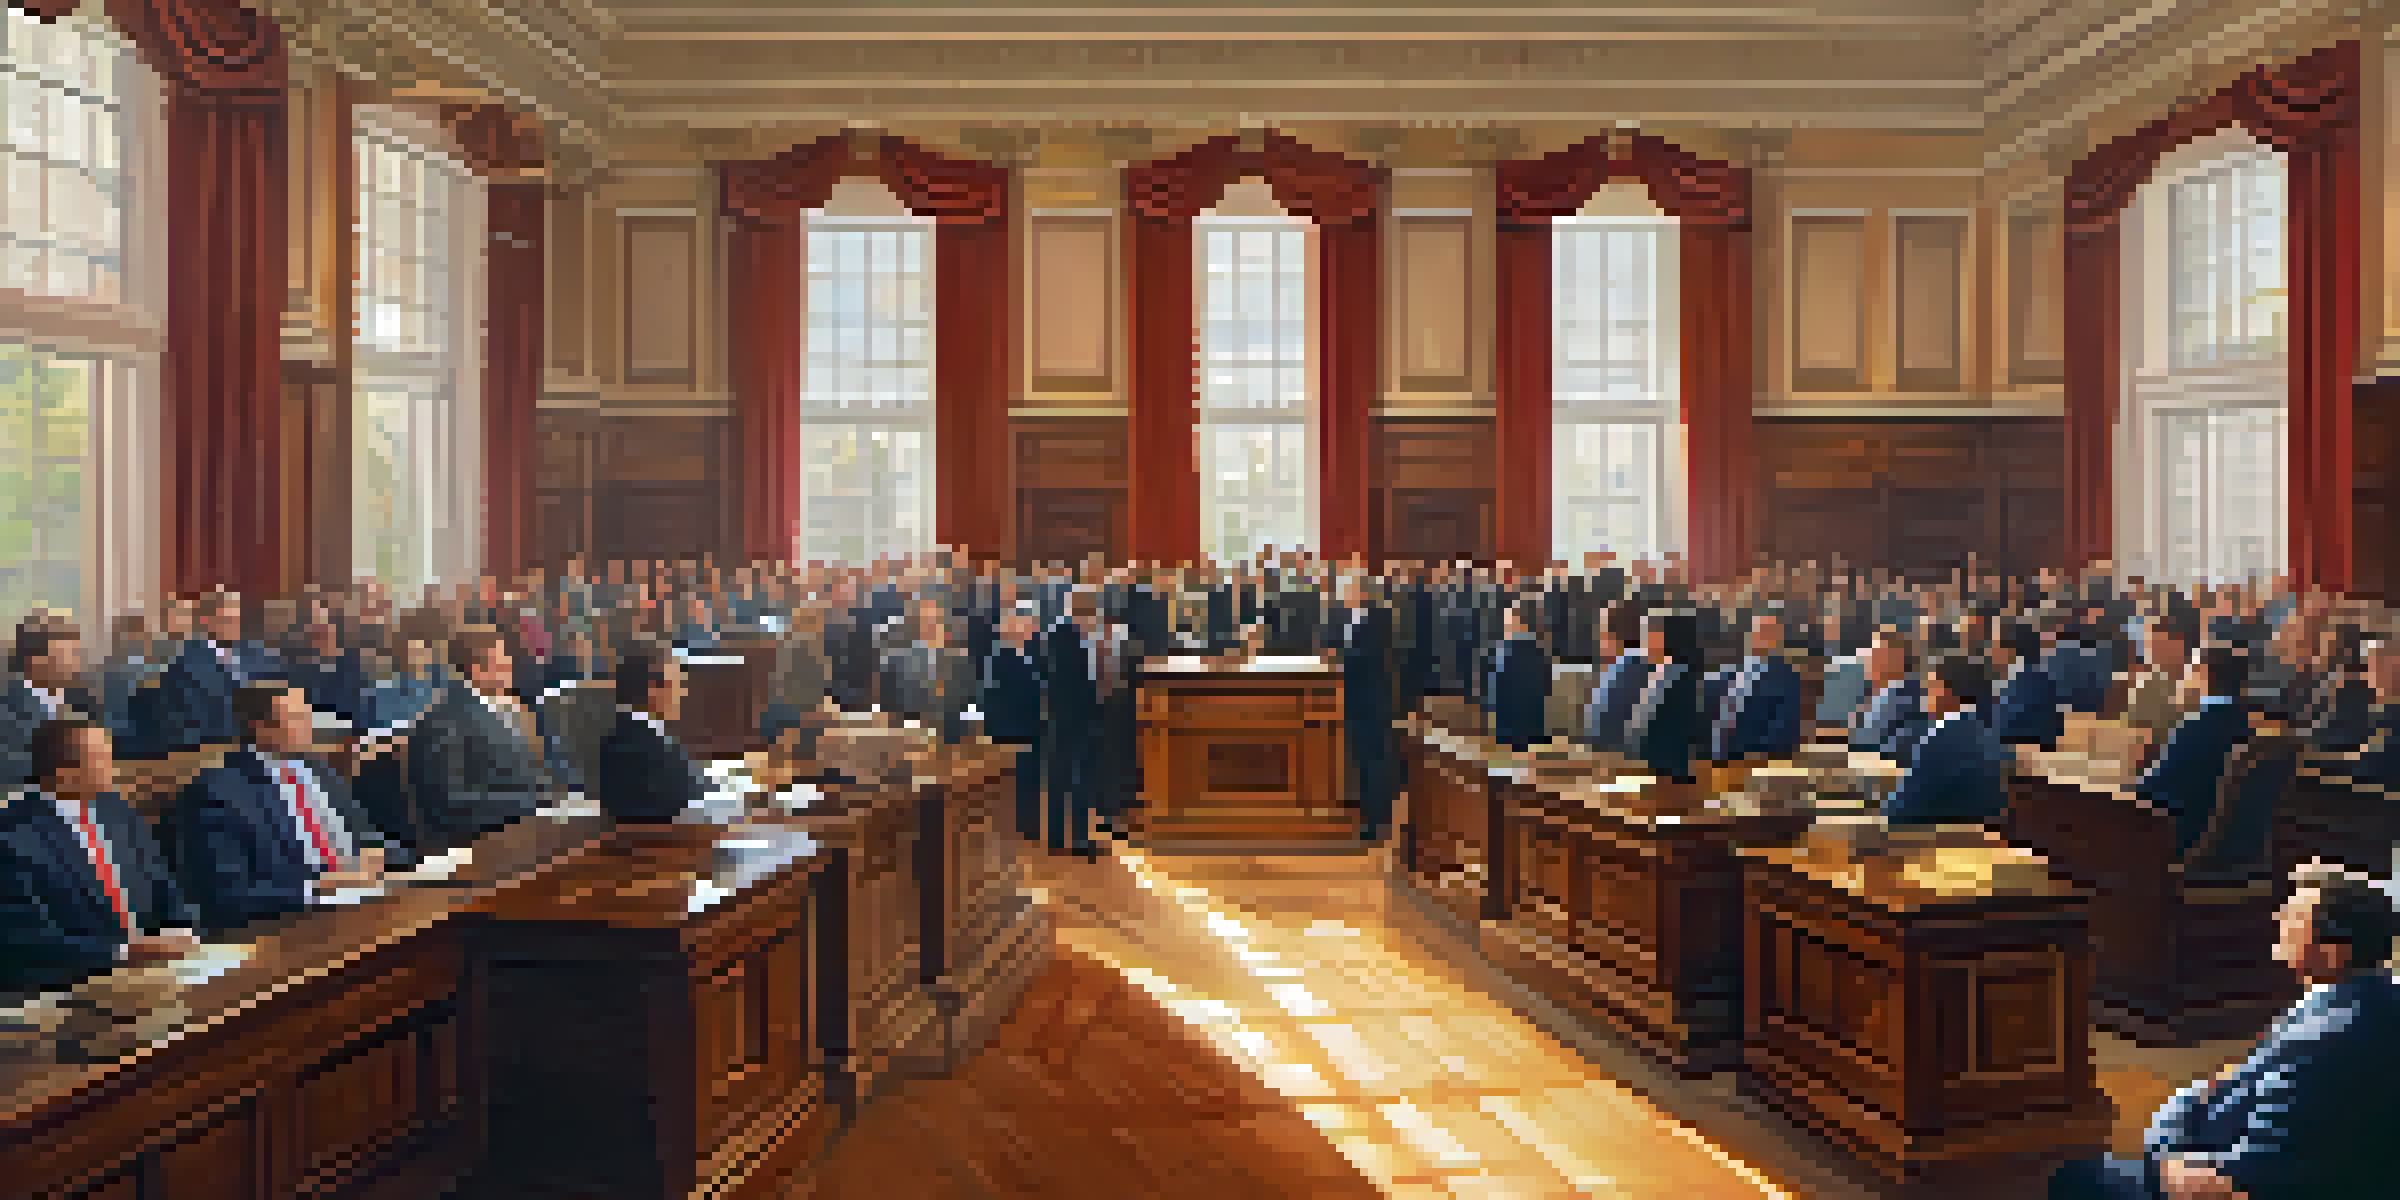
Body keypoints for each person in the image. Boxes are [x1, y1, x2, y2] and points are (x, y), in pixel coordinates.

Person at [2048, 865, 2399, 1199]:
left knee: (2067, 1178)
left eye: (2294, 918)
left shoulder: (2318, 1045)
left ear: (2332, 953)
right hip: (2220, 1136)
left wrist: (2158, 1168)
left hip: (2213, 1168)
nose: (2278, 919)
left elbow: (2248, 1184)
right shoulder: (2376, 998)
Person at [174, 685, 406, 932]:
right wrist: (318, 887)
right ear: (261, 728)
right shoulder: (218, 792)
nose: (310, 725)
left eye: (308, 715)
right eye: (298, 718)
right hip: (299, 924)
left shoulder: (320, 770)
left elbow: (371, 837)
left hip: (371, 902)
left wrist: (380, 855)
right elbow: (229, 896)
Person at [0, 719, 197, 995]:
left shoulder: (116, 809)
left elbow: (162, 883)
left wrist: (182, 931)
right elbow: (26, 942)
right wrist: (124, 953)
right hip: (72, 989)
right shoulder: (12, 836)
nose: (115, 768)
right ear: (64, 774)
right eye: (103, 759)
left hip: (158, 973)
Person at [408, 627, 551, 853]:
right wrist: (531, 805)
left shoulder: (511, 708)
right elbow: (450, 803)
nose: (510, 666)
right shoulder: (443, 722)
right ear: (477, 671)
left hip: (523, 829)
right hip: (478, 845)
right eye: (501, 660)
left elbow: (530, 773)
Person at [2133, 645, 2253, 857]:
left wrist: (2127, 783)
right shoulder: (2246, 725)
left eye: (2191, 668)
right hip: (2227, 839)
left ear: (2204, 674)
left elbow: (2153, 789)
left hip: (2180, 835)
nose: (2186, 675)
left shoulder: (2195, 726)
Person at [1881, 652, 2009, 828]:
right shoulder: (1985, 732)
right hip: (1981, 834)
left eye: (1932, 686)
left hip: (1937, 839)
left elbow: (1899, 813)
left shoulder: (1937, 740)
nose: (1925, 693)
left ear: (1947, 691)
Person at [596, 644, 708, 824]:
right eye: (678, 684)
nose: (683, 693)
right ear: (653, 690)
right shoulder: (630, 744)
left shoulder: (646, 734)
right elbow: (681, 802)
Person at [1, 620, 100, 790]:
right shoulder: (9, 708)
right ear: (35, 661)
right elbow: (10, 771)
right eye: (68, 655)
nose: (77, 663)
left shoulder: (82, 699)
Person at [1335, 579, 1395, 841]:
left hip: (1372, 705)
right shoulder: (1352, 619)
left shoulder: (1375, 623)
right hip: (1358, 704)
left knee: (1373, 763)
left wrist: (1342, 660)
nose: (1343, 595)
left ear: (1359, 593)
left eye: (1346, 591)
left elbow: (1366, 661)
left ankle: (1377, 823)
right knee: (1362, 762)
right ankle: (1367, 818)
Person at [1706, 613, 1805, 764]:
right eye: (1757, 630)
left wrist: (1749, 761)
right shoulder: (1727, 672)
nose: (1761, 636)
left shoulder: (1787, 678)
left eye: (1768, 632)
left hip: (1748, 765)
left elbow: (1783, 733)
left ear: (1779, 639)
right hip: (1705, 762)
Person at [982, 608, 1046, 843]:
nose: (1030, 629)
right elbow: (991, 697)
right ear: (1011, 628)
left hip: (1033, 727)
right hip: (1012, 729)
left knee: (1033, 780)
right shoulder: (998, 657)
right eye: (1025, 624)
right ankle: (1017, 827)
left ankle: (1030, 824)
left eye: (1031, 624)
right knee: (1015, 782)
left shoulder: (1034, 653)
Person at [1849, 628, 1928, 759]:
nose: (1869, 661)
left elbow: (1898, 747)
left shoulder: (1909, 696)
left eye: (1876, 654)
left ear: (1898, 657)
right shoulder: (1872, 691)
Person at [1484, 601, 1551, 751]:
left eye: (1509, 621)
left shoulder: (1508, 651)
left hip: (1511, 732)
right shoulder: (1538, 651)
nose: (1506, 625)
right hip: (1529, 731)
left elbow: (1496, 694)